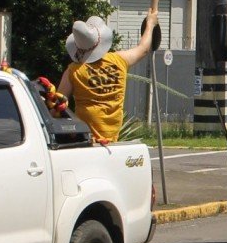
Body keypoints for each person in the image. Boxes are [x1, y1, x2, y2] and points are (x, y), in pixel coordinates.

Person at [59, 12, 158, 144]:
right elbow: (144, 48)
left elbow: (57, 105)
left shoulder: (73, 71)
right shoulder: (119, 60)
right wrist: (150, 24)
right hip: (112, 139)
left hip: (86, 140)